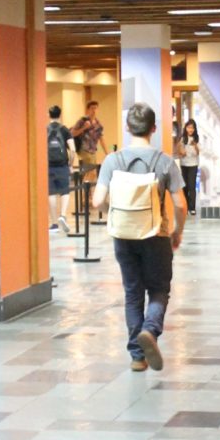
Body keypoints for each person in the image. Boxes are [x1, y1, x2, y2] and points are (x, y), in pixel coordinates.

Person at [92, 104, 187, 372]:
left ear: (127, 128)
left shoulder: (113, 161)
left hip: (123, 236)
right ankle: (150, 329)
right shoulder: (165, 161)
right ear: (154, 128)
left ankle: (137, 356)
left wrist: (116, 209)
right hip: (156, 234)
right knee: (159, 288)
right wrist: (177, 231)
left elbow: (98, 200)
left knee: (133, 293)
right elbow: (180, 204)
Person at [46, 105, 73, 233]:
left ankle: (54, 224)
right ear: (60, 115)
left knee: (51, 193)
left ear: (49, 115)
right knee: (65, 191)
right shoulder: (65, 130)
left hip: (48, 165)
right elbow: (72, 149)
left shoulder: (45, 130)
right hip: (62, 165)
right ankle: (63, 215)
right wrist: (71, 164)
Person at [71, 100, 108, 172]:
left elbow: (101, 139)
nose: (94, 110)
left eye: (95, 108)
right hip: (84, 149)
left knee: (90, 173)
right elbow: (72, 133)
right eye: (92, 108)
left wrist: (107, 153)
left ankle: (85, 182)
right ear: (88, 109)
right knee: (91, 172)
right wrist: (84, 128)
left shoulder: (98, 124)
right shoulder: (82, 120)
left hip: (93, 151)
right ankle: (85, 181)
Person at [174, 120, 201, 216]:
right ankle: (186, 206)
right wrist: (182, 152)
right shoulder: (182, 138)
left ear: (194, 129)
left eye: (192, 128)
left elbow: (198, 152)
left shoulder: (196, 139)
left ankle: (192, 208)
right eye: (189, 127)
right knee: (184, 186)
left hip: (193, 164)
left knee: (192, 186)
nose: (190, 129)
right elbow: (178, 150)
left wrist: (195, 146)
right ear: (186, 128)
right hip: (184, 164)